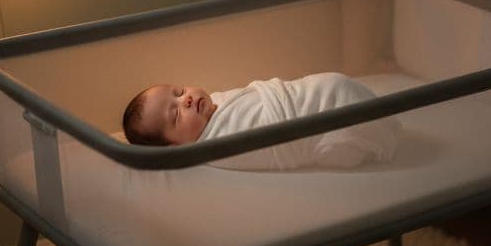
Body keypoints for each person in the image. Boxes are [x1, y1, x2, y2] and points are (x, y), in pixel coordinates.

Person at [120, 72, 401, 170]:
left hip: (310, 92)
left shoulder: (215, 103)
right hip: (314, 121)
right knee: (340, 131)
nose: (187, 100)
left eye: (180, 92)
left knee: (337, 88)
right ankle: (370, 128)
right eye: (176, 114)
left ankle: (369, 110)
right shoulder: (218, 146)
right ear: (176, 147)